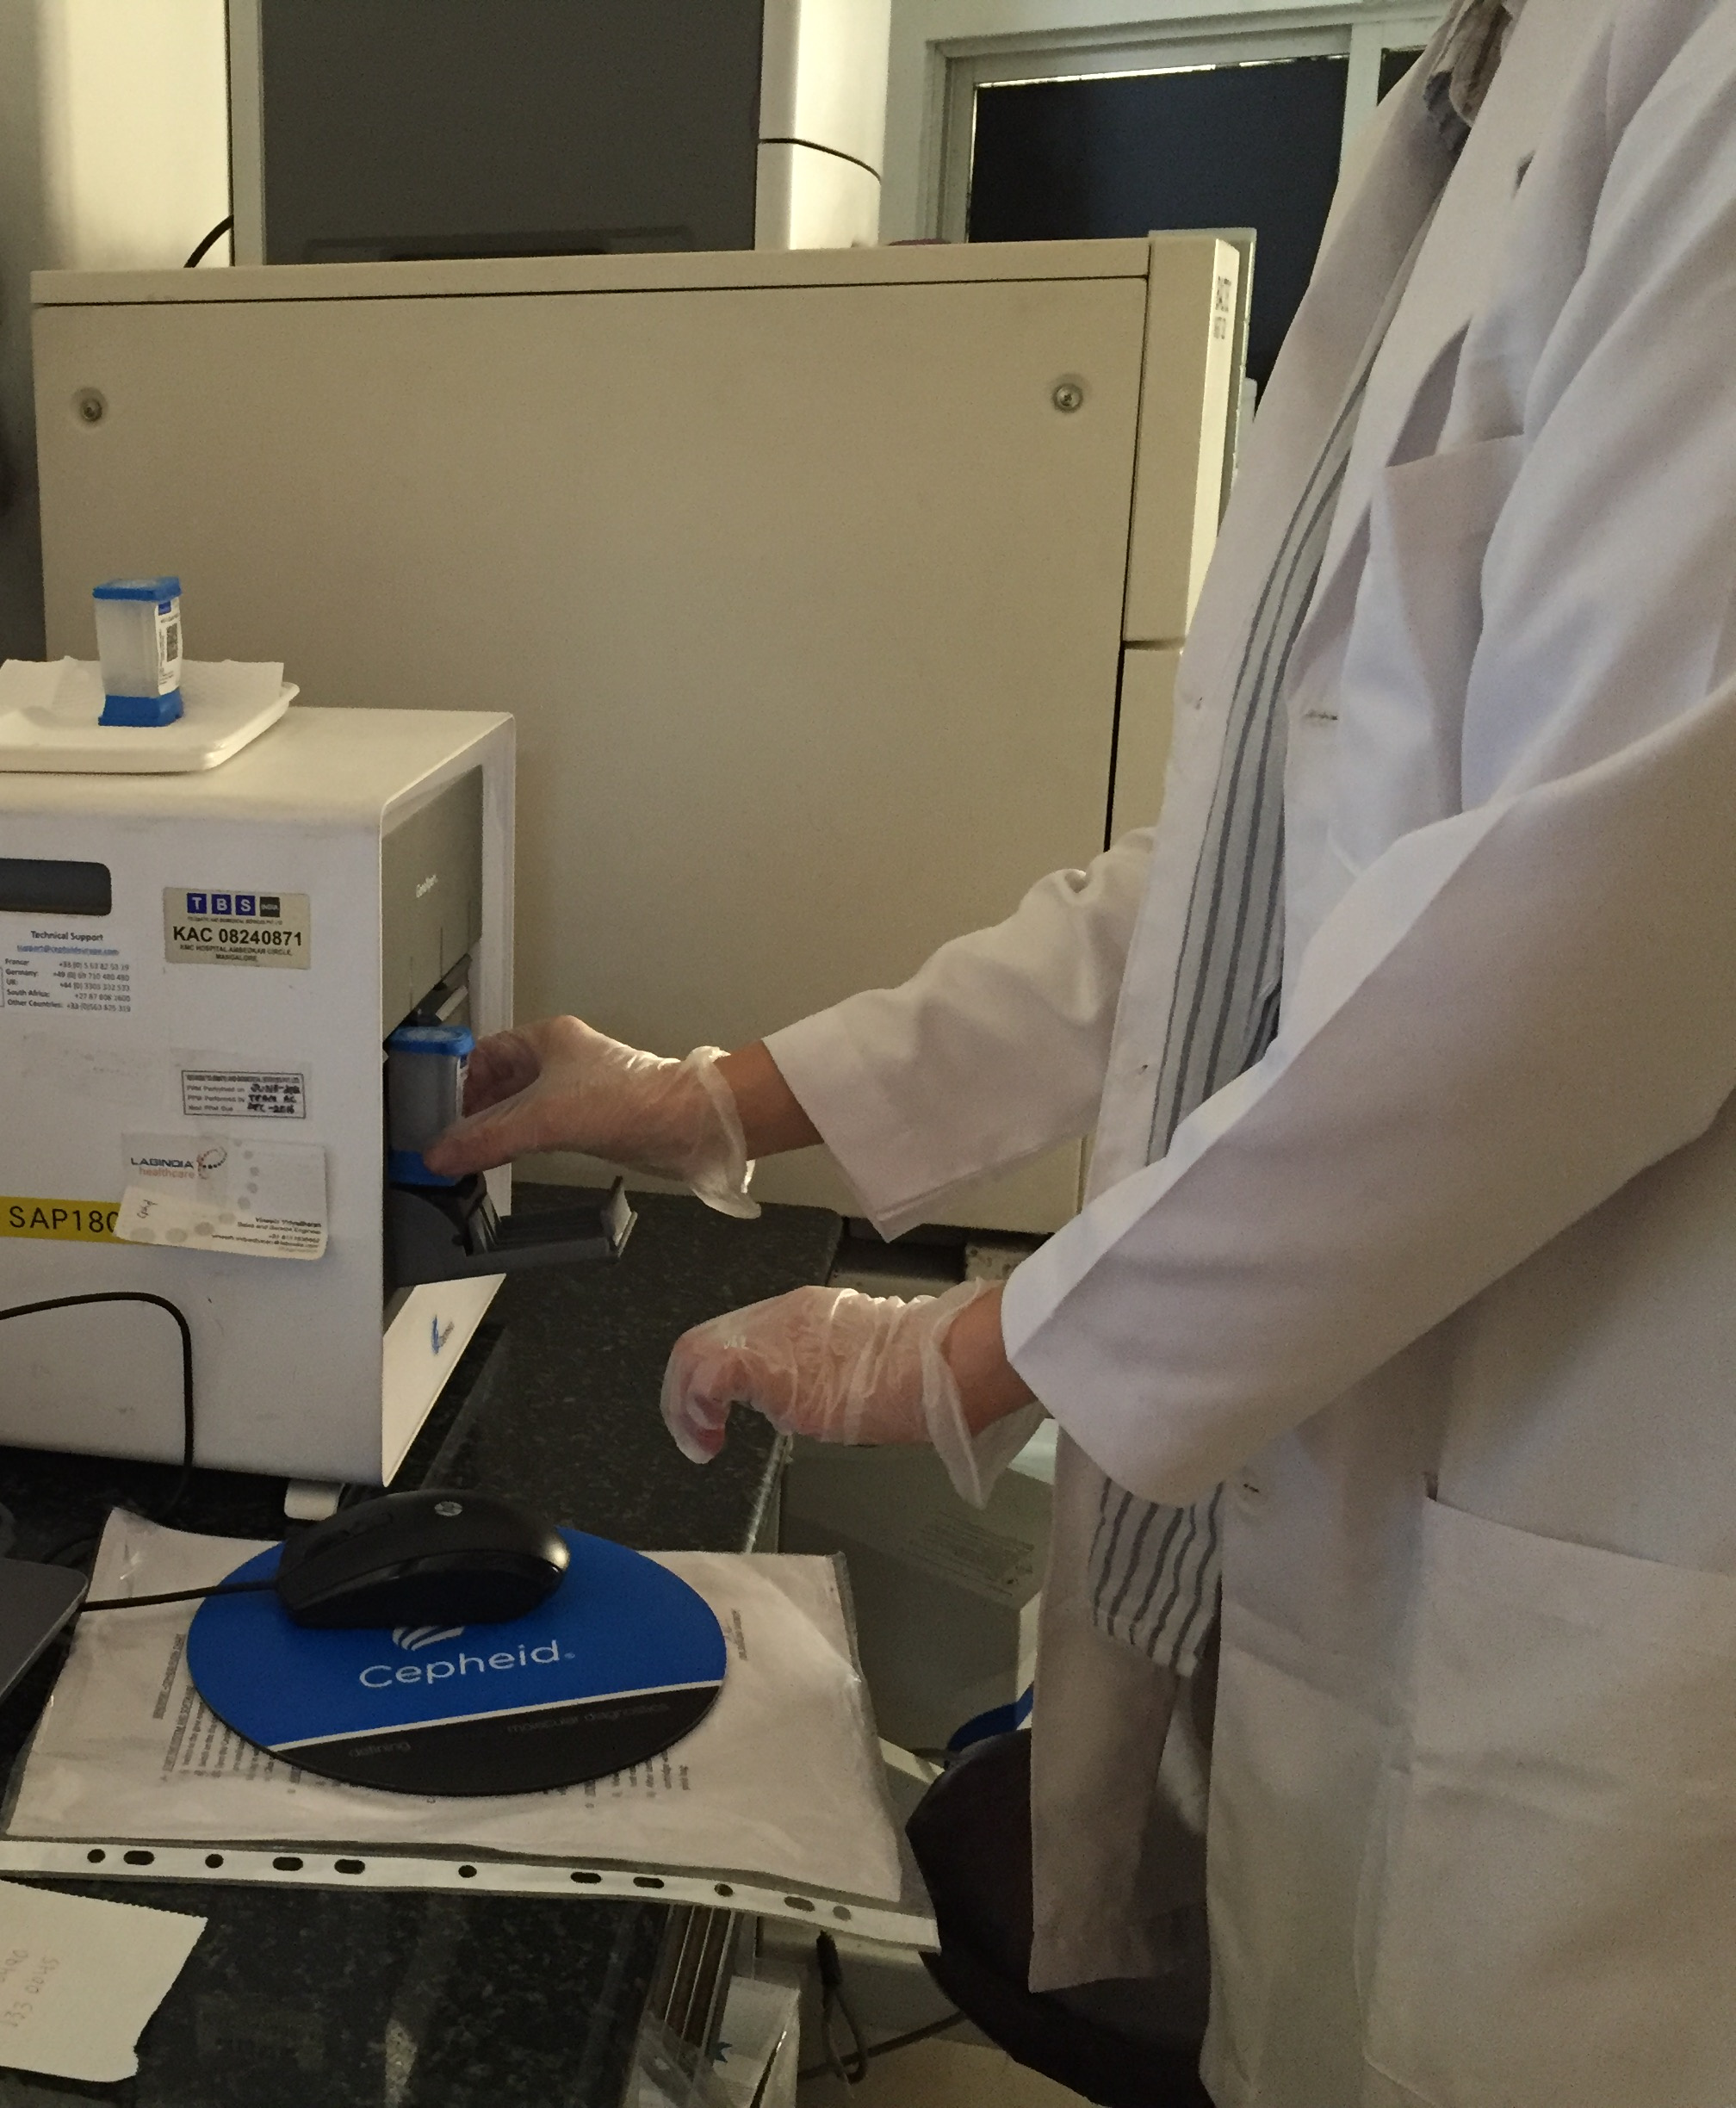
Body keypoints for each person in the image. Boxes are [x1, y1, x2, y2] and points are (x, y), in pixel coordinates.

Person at [425, 1, 1736, 2099]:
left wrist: (976, 1344)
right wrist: (708, 1099)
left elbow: (1586, 937)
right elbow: (1237, 874)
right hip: (1353, 1520)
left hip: (1590, 1551)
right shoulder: (1473, 99)